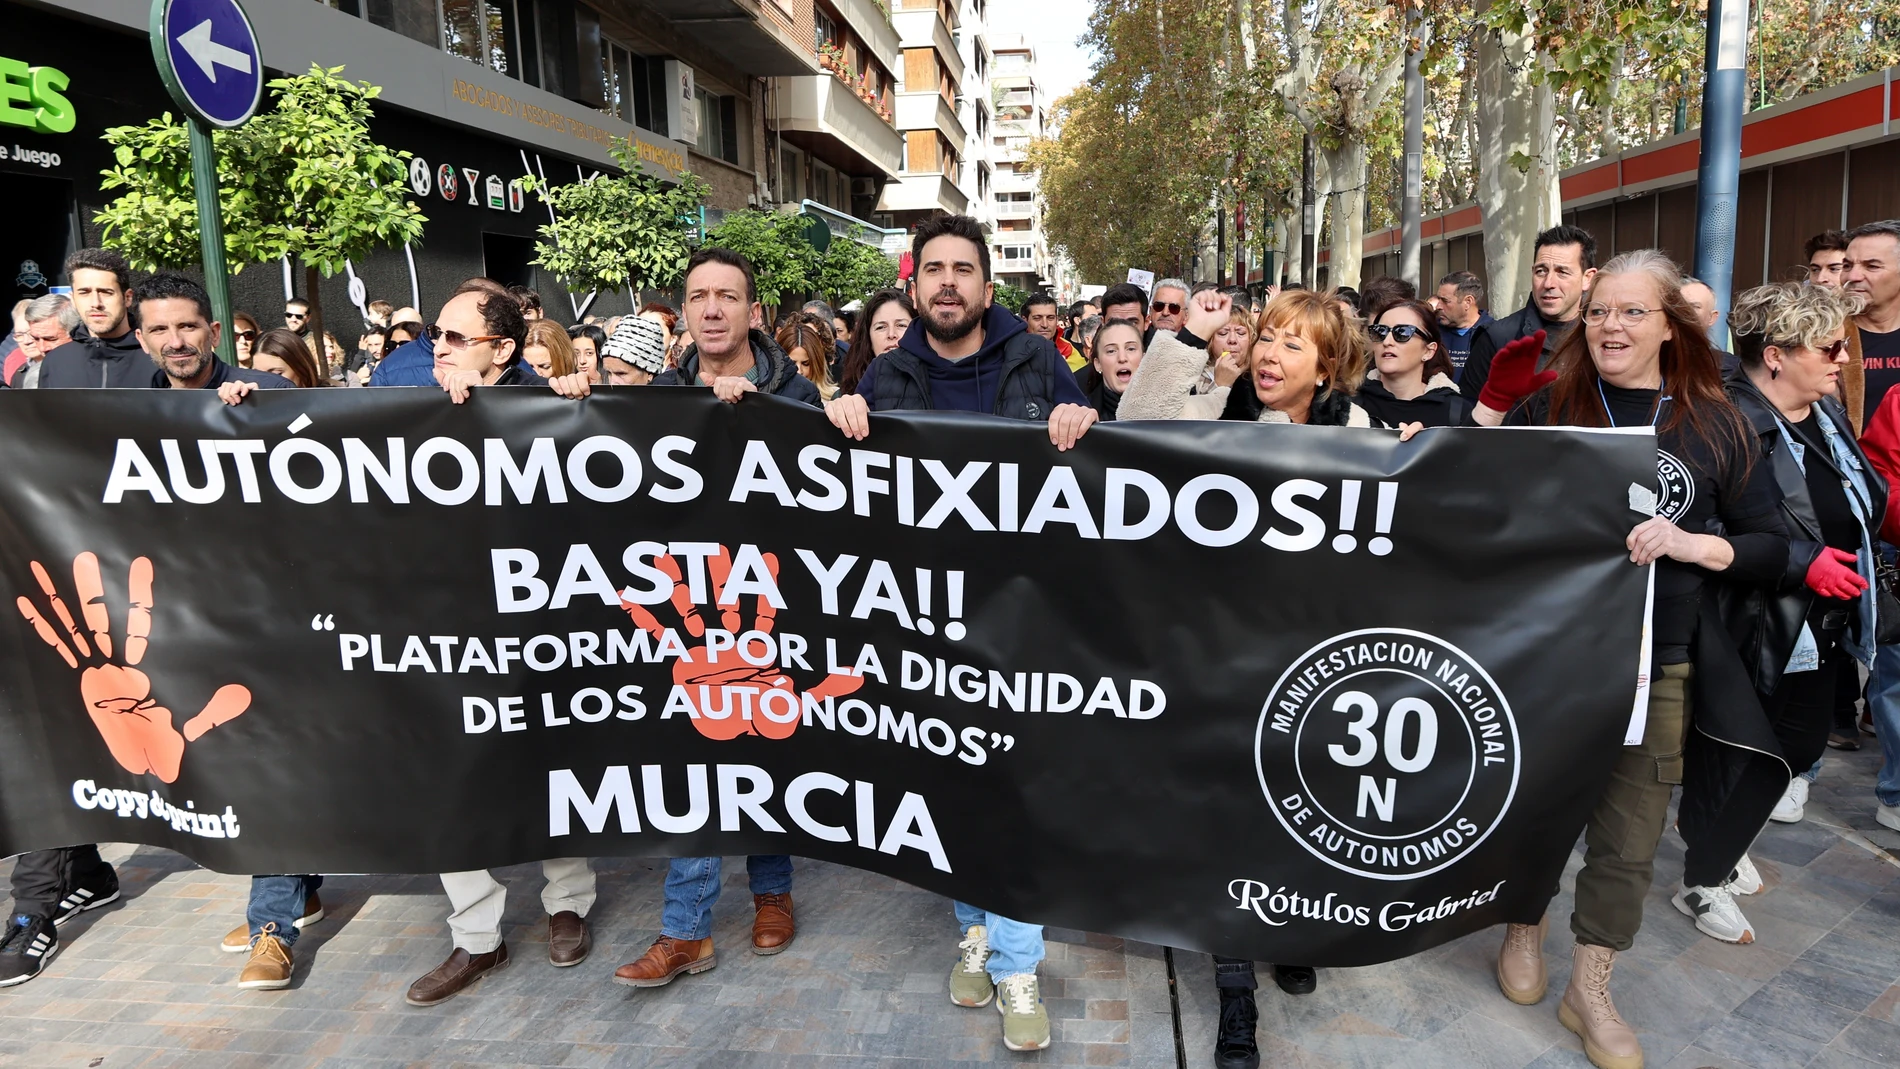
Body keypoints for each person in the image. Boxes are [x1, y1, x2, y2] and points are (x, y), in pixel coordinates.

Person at [1474, 249, 1786, 1069]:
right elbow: (1483, 510)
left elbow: (1772, 545)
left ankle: (1594, 983)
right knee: (1537, 805)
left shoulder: (1717, 418)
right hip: (1550, 659)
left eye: (1632, 311)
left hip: (1664, 662)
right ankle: (1522, 924)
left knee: (1630, 834)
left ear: (1670, 324)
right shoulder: (1552, 409)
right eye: (1599, 310)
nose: (1611, 325)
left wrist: (1693, 542)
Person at [821, 215, 1095, 1053]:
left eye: (962, 269)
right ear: (913, 286)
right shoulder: (888, 375)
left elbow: (1111, 469)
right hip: (919, 626)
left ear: (986, 285)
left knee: (1010, 792)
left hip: (1021, 619)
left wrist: (1080, 425)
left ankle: (1017, 960)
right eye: (932, 269)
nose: (947, 283)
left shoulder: (1039, 361)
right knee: (950, 788)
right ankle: (973, 926)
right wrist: (839, 414)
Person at [549, 250, 820, 995]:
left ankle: (772, 890)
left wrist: (787, 415)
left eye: (727, 296)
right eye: (697, 295)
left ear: (753, 313)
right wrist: (569, 399)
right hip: (685, 604)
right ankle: (686, 929)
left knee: (765, 751)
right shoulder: (656, 395)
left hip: (767, 599)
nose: (711, 309)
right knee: (695, 761)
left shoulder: (792, 391)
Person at [1121, 287, 1368, 1069]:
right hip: (1213, 661)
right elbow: (1135, 431)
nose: (1270, 353)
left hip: (1309, 667)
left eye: (1294, 344)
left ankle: (1293, 928)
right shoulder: (1215, 413)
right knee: (1227, 822)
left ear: (1327, 367)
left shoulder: (1361, 435)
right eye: (1266, 336)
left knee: (1296, 810)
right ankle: (1236, 994)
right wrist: (1191, 340)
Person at [1669, 281, 1879, 948]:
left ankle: (1724, 845)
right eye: (1828, 346)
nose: (1841, 359)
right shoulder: (1724, 420)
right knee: (1740, 756)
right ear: (1777, 355)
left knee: (1797, 748)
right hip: (1746, 624)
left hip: (1820, 622)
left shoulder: (1824, 414)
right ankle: (1703, 875)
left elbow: (1858, 498)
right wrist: (1800, 560)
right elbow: (1709, 530)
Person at [1458, 224, 1599, 407]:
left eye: (1562, 272)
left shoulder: (1605, 334)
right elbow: (1466, 417)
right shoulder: (1497, 337)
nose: (1549, 283)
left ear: (1588, 278)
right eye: (1541, 271)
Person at [38, 249, 148, 389]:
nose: (96, 303)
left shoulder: (157, 358)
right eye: (84, 293)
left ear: (127, 298)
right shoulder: (55, 362)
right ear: (72, 299)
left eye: (106, 292)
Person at [1358, 298, 1465, 428]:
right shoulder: (1349, 404)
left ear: (1428, 351)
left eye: (1402, 332)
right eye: (1380, 332)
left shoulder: (1456, 411)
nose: (1387, 342)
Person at [836, 289, 915, 395]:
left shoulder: (937, 387)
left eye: (901, 325)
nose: (891, 334)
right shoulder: (846, 397)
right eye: (881, 327)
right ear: (868, 337)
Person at [1077, 318, 1143, 420]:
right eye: (1111, 351)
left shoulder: (1170, 413)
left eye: (1131, 349)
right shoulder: (1081, 415)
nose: (1122, 358)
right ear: (1098, 364)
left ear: (1144, 358)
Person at [8, 295, 77, 389]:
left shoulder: (94, 368)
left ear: (75, 333)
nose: (42, 348)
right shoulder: (20, 374)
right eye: (36, 338)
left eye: (50, 339)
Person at [1433, 271, 1492, 375]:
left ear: (1468, 302)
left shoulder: (1491, 334)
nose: (1438, 306)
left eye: (1445, 301)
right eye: (1438, 299)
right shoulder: (1432, 330)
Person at [777, 317, 840, 400]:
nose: (799, 371)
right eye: (791, 363)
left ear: (816, 364)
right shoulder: (766, 397)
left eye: (805, 364)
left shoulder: (835, 399)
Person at [1199, 303, 1253, 396]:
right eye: (1223, 333)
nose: (1232, 340)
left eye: (1240, 333)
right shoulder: (1194, 377)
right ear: (1210, 339)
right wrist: (1219, 385)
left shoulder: (1260, 376)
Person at [599, 314, 669, 385]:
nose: (612, 382)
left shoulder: (673, 394)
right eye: (609, 373)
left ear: (649, 374)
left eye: (621, 374)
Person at [1022, 292, 1082, 371]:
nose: (1045, 324)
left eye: (1050, 318)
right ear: (1024, 320)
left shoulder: (1068, 349)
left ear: (1056, 319)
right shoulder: (1011, 349)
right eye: (1037, 318)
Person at [249, 328, 328, 388]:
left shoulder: (330, 403)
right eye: (257, 375)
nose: (265, 382)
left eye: (276, 374)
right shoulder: (251, 402)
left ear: (301, 370)